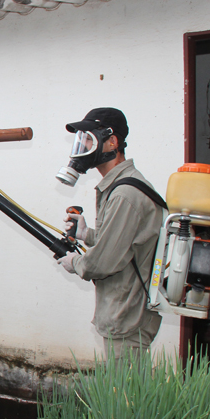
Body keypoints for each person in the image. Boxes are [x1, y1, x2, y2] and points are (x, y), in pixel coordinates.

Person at [55, 107, 164, 357]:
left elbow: (103, 262)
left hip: (128, 315)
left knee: (124, 394)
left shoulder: (125, 193)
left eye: (88, 138)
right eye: (80, 139)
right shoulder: (119, 186)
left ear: (111, 141)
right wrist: (87, 234)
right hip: (124, 310)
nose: (82, 146)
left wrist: (77, 263)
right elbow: (127, 242)